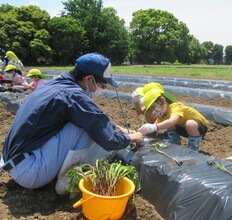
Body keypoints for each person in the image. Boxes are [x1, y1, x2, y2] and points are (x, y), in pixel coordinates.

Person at [0, 52, 144, 195]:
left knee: (82, 121)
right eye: (103, 85)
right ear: (89, 79)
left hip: (13, 163)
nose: (101, 90)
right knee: (83, 127)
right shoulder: (73, 95)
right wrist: (132, 138)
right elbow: (108, 139)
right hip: (30, 172)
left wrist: (119, 128)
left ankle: (54, 173)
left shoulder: (58, 85)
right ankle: (66, 184)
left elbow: (91, 116)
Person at [138, 88, 208, 152]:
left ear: (162, 100)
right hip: (184, 129)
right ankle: (174, 142)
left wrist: (154, 127)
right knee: (166, 124)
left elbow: (172, 121)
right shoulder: (163, 115)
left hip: (199, 129)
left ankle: (193, 148)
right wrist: (141, 133)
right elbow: (155, 125)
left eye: (153, 107)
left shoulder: (176, 107)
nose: (153, 111)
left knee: (189, 123)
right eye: (151, 109)